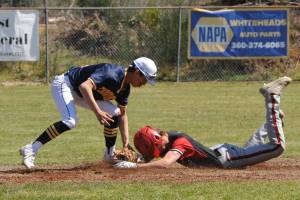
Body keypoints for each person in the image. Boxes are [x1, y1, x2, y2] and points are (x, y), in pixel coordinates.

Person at [114, 76, 292, 169]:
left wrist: (135, 167)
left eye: (155, 149)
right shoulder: (165, 140)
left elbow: (164, 163)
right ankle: (275, 119)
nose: (156, 153)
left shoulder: (179, 143)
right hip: (224, 153)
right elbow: (150, 159)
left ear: (157, 139)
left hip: (227, 159)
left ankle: (272, 97)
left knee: (277, 147)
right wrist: (121, 160)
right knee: (247, 154)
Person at [20, 57, 157, 169]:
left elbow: (122, 115)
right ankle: (31, 148)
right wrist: (98, 112)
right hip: (66, 85)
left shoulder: (125, 88)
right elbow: (84, 86)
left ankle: (109, 154)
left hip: (83, 93)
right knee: (70, 121)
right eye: (144, 79)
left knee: (115, 113)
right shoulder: (112, 73)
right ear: (137, 71)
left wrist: (126, 143)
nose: (144, 83)